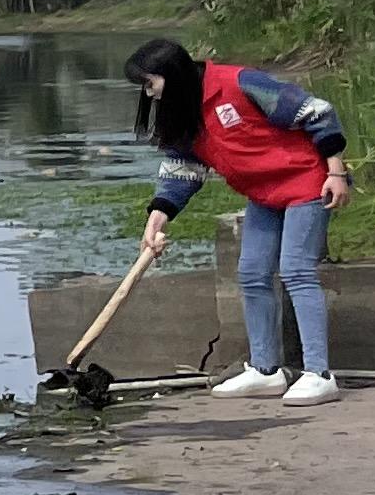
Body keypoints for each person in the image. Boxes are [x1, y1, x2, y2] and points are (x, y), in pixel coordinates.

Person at [125, 36, 351, 406]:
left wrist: (336, 173)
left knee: (296, 271)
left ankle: (319, 374)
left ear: (173, 75)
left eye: (150, 83)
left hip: (307, 180)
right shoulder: (184, 110)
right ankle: (265, 370)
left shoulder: (241, 83)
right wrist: (158, 216)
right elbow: (183, 169)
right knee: (252, 274)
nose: (149, 94)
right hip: (263, 193)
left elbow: (316, 112)